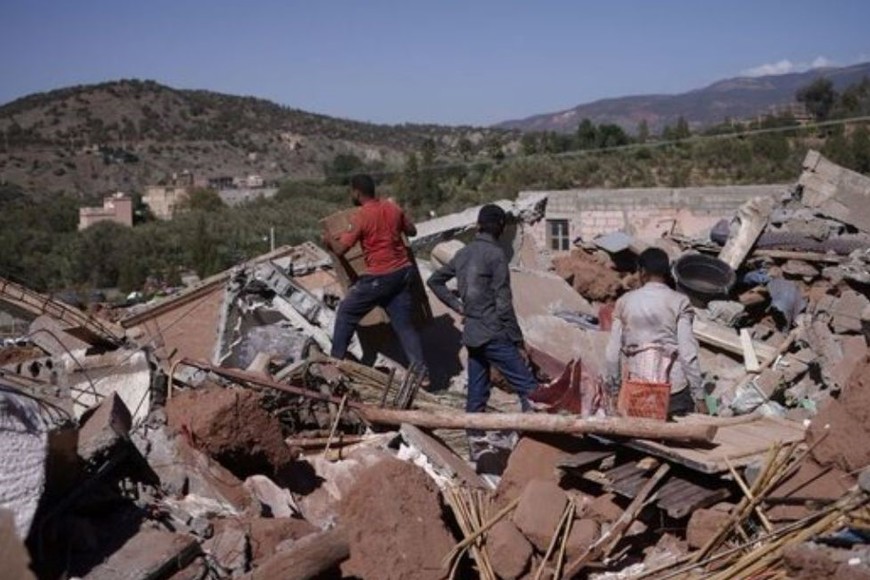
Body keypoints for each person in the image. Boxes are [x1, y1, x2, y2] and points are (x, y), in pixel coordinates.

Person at [427, 204, 538, 422]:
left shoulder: (463, 254)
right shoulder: (496, 255)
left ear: (478, 225)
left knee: (477, 393)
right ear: (501, 228)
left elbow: (434, 281)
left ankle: (474, 435)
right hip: (493, 332)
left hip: (472, 334)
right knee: (529, 388)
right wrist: (517, 341)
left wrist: (458, 306)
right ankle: (536, 432)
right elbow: (504, 305)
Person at [323, 174, 427, 377]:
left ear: (356, 192)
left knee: (346, 311)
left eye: (351, 191)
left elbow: (341, 249)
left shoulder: (361, 216)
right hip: (403, 274)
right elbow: (412, 231)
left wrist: (328, 240)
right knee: (404, 326)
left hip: (380, 277)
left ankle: (335, 362)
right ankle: (422, 373)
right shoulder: (392, 208)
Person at [604, 248, 706, 417]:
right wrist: (700, 397)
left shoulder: (624, 302)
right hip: (673, 393)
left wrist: (614, 391)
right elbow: (688, 354)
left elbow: (612, 354)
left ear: (642, 271)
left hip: (637, 391)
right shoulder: (680, 301)